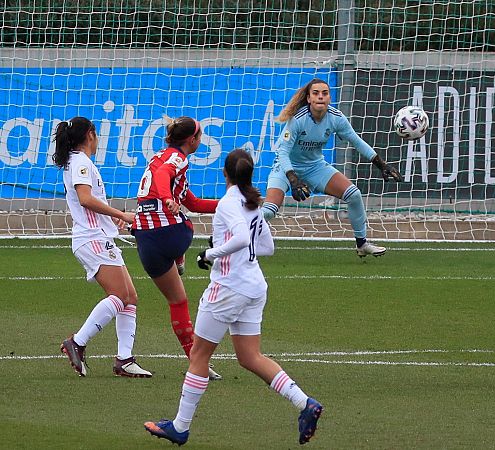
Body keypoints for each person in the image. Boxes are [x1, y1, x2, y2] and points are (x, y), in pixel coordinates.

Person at [145, 149, 323, 446]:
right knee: (250, 357)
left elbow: (241, 238)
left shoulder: (229, 202)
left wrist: (211, 253)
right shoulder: (252, 202)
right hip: (254, 287)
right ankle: (305, 403)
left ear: (225, 174)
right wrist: (233, 247)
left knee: (199, 355)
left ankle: (180, 426)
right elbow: (266, 246)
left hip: (228, 289)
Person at [54, 116, 152, 378]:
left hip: (97, 236)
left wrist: (110, 221)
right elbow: (85, 199)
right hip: (91, 238)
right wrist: (121, 215)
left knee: (130, 297)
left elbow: (88, 201)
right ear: (90, 134)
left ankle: (124, 360)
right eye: (96, 134)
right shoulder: (81, 163)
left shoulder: (78, 162)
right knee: (120, 296)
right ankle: (77, 342)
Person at [260, 78, 401, 257]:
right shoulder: (298, 119)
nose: (320, 97)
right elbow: (283, 153)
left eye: (324, 93)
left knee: (354, 194)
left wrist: (381, 164)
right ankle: (232, 234)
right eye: (316, 93)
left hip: (315, 167)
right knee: (269, 211)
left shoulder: (336, 118)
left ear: (329, 98)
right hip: (285, 168)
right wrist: (293, 179)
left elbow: (356, 142)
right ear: (309, 98)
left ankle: (362, 243)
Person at [131, 115, 222, 379]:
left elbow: (192, 202)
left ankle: (197, 363)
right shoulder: (177, 158)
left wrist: (227, 204)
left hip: (145, 240)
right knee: (188, 227)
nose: (200, 141)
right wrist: (168, 198)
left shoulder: (159, 155)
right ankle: (179, 258)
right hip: (168, 233)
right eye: (200, 137)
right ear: (192, 140)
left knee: (178, 300)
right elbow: (162, 176)